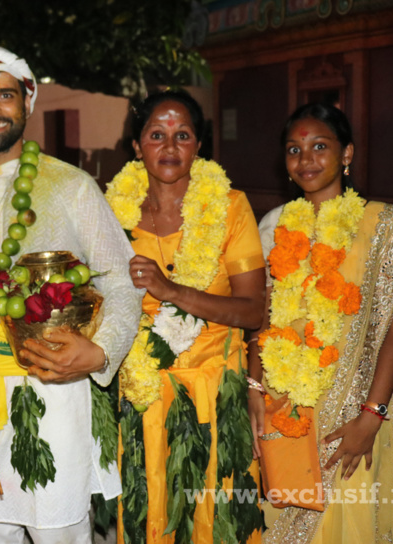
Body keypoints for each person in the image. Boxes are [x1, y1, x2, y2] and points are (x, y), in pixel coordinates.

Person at [0, 44, 143, 544]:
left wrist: (101, 352)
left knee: (59, 531)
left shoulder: (72, 186)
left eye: (5, 94)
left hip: (53, 387)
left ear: (27, 103)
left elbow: (121, 282)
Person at [248, 103, 393, 543]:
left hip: (354, 410)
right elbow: (264, 317)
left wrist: (371, 418)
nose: (305, 159)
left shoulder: (383, 228)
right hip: (286, 403)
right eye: (294, 149)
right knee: (278, 515)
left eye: (319, 146)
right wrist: (254, 388)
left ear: (346, 153)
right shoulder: (278, 225)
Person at [105, 90, 265, 543]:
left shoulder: (230, 207)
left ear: (199, 145)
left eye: (183, 135)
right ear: (136, 146)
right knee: (150, 515)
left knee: (215, 518)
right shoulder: (112, 212)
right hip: (140, 393)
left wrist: (172, 291)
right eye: (156, 135)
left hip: (215, 391)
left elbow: (253, 311)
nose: (170, 147)